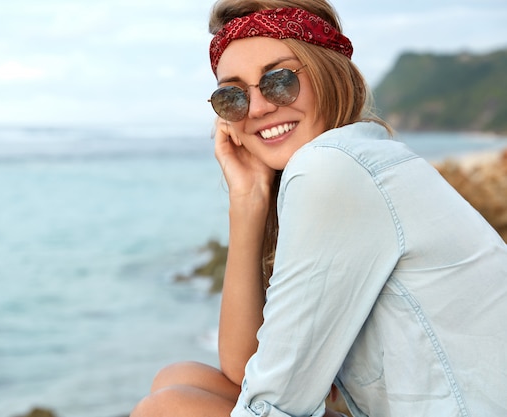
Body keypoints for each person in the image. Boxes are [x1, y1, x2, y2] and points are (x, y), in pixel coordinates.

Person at [131, 0, 507, 416]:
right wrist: (247, 200)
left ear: (328, 74)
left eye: (279, 80)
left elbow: (275, 401)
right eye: (232, 96)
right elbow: (244, 370)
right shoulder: (353, 158)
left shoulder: (331, 168)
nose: (257, 108)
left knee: (168, 407)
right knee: (177, 379)